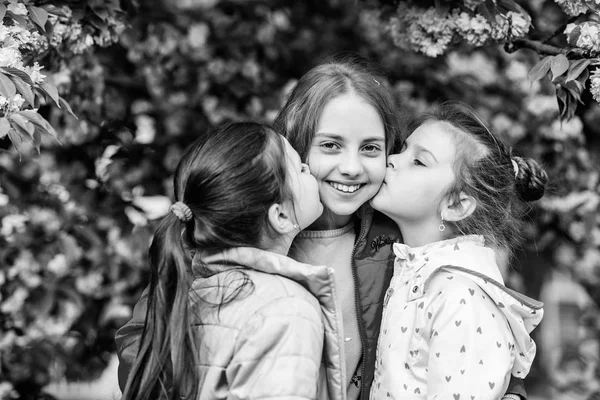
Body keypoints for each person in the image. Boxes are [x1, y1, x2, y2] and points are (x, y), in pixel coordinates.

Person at [116, 56, 530, 400]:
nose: (351, 167)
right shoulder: (237, 234)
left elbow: (468, 355)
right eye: (330, 145)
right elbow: (145, 341)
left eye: (371, 148)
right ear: (295, 146)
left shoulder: (404, 246)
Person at [120, 121, 348, 400]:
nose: (309, 169)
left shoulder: (187, 293)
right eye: (300, 168)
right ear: (281, 217)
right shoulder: (286, 310)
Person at [369, 102, 547, 399]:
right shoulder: (416, 271)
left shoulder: (461, 296)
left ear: (456, 205)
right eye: (403, 149)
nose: (391, 160)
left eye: (419, 161)